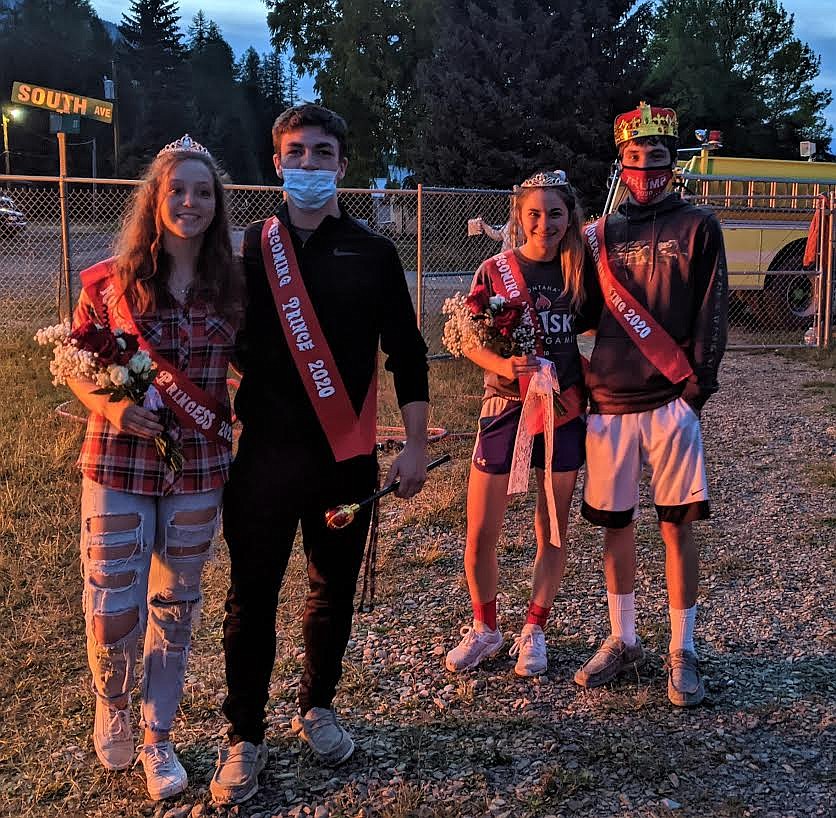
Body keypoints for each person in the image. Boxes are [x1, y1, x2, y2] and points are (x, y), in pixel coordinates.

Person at [209, 104, 430, 807]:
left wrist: (418, 444)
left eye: (323, 152)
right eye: (296, 152)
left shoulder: (373, 252)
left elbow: (409, 352)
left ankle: (317, 707)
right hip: (264, 461)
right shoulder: (245, 251)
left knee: (330, 592)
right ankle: (244, 734)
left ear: (343, 164)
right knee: (252, 596)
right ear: (276, 162)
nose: (309, 164)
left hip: (346, 460)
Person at [67, 135, 242, 800]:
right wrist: (112, 409)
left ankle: (157, 737)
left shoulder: (232, 286)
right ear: (155, 200)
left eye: (204, 192)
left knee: (175, 606)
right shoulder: (109, 283)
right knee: (113, 605)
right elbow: (77, 368)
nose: (191, 202)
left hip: (198, 466)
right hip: (117, 462)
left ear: (216, 204)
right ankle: (111, 700)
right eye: (178, 191)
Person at [576, 102, 728, 706]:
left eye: (657, 158)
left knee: (676, 526)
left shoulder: (700, 225)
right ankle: (624, 636)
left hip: (672, 398)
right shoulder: (602, 233)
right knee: (616, 527)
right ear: (622, 162)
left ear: (673, 161)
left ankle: (682, 647)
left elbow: (711, 310)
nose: (646, 169)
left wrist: (698, 389)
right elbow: (583, 311)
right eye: (634, 160)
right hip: (609, 400)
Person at [445, 170, 602, 677]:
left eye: (555, 213)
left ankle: (534, 627)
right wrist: (501, 366)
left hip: (563, 411)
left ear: (569, 217)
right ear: (519, 215)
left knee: (551, 527)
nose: (544, 223)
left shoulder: (581, 271)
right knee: (480, 531)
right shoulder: (494, 270)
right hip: (504, 409)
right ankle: (485, 628)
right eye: (534, 213)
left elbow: (605, 327)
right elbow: (466, 338)